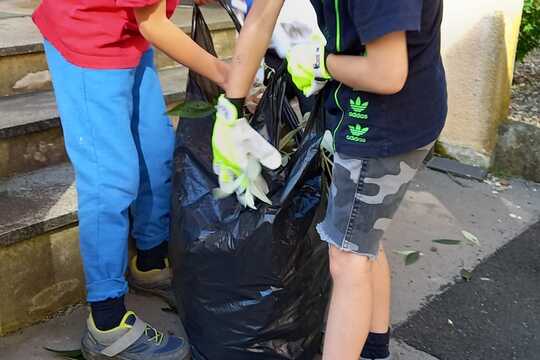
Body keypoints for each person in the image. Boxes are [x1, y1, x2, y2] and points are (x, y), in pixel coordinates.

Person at [212, 0, 448, 359]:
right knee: (361, 233)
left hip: (385, 123)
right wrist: (230, 109)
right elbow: (261, 14)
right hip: (370, 107)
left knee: (346, 256)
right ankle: (374, 346)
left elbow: (388, 73)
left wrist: (321, 61)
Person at [32, 0, 228, 359]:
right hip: (86, 38)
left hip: (125, 32)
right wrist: (223, 73)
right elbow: (152, 23)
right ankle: (105, 323)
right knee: (110, 178)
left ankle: (150, 264)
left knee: (157, 149)